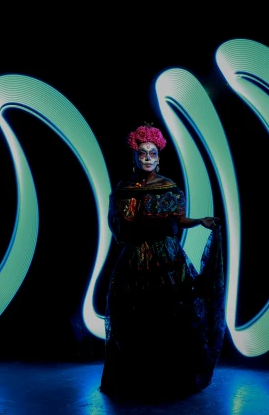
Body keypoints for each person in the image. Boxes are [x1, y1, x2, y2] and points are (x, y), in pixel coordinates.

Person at [99, 122, 226, 402]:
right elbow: (116, 223)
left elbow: (179, 219)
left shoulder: (168, 186)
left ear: (159, 157)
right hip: (133, 259)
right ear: (134, 155)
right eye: (142, 152)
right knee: (132, 318)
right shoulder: (123, 188)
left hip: (165, 258)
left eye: (152, 153)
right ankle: (135, 380)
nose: (147, 157)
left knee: (167, 316)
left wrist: (200, 221)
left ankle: (168, 380)